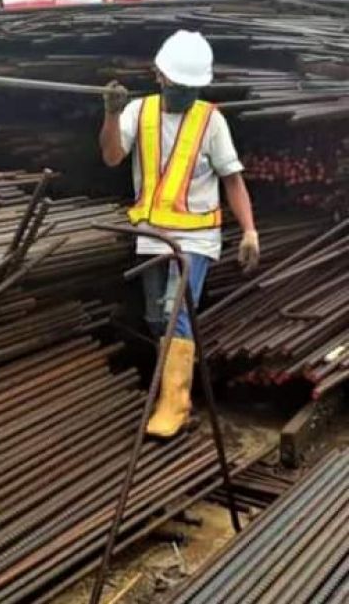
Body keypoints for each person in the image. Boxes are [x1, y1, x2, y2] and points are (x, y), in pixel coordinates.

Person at [99, 30, 259, 438]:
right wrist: (112, 115)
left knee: (175, 312)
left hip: (196, 239)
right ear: (160, 76)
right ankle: (168, 390)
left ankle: (175, 406)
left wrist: (249, 231)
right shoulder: (139, 111)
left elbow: (233, 179)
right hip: (153, 234)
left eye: (192, 88)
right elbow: (113, 156)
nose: (184, 94)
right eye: (178, 86)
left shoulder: (211, 120)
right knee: (156, 316)